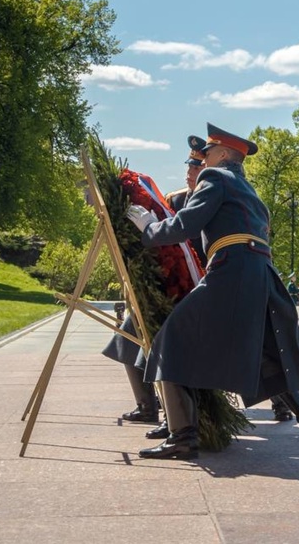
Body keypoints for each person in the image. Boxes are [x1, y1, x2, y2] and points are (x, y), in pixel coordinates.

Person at [127, 123, 299, 459]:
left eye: (207, 154)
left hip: (231, 272)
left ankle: (182, 436)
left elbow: (185, 226)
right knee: (298, 355)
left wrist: (148, 227)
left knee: (171, 338)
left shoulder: (216, 178)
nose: (203, 160)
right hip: (261, 274)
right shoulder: (249, 190)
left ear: (223, 154)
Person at [101, 134, 207, 427]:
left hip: (200, 288)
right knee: (128, 340)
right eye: (190, 166)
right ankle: (148, 406)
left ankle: (283, 402)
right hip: (167, 285)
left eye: (197, 167)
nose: (190, 172)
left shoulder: (217, 199)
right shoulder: (173, 201)